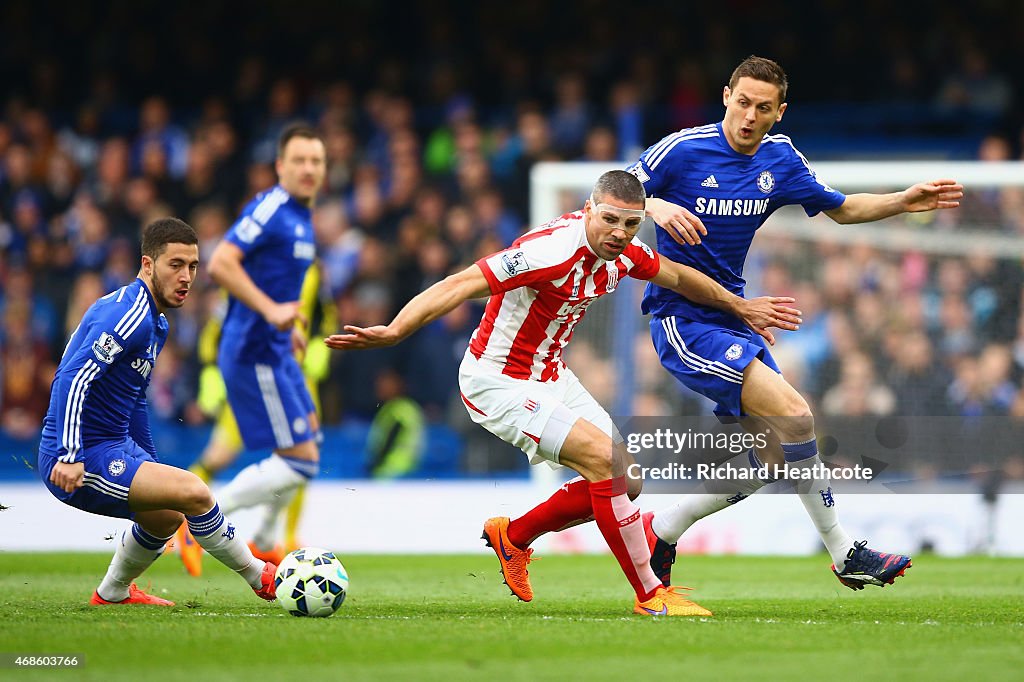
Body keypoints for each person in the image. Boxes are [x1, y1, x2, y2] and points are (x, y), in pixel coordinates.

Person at [326, 170, 802, 616]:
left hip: (549, 373)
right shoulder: (550, 251)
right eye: (610, 219)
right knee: (605, 462)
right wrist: (395, 329)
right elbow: (461, 282)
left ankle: (514, 536)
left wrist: (740, 306)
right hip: (496, 379)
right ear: (590, 209)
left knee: (626, 478)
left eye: (630, 224)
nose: (618, 232)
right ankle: (651, 595)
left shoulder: (628, 252)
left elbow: (676, 276)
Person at [626, 55, 963, 590]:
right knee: (798, 417)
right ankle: (846, 552)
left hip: (735, 317)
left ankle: (662, 529)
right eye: (742, 102)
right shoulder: (682, 149)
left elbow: (842, 208)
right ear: (725, 97)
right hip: (682, 319)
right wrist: (654, 206)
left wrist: (903, 200)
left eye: (763, 108)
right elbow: (611, 191)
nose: (749, 116)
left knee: (775, 453)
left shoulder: (781, 159)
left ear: (779, 113)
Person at [37, 217, 277, 606]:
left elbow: (134, 400)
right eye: (175, 265)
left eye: (193, 266)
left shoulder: (156, 322)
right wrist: (67, 453)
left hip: (112, 446)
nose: (186, 277)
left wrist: (148, 464)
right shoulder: (128, 315)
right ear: (148, 265)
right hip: (79, 454)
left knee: (166, 516)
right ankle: (261, 576)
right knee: (195, 492)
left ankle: (112, 593)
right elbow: (72, 377)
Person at [204, 123, 326, 563]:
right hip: (254, 351)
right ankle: (203, 517)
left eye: (316, 161)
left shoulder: (301, 216)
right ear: (280, 166)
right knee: (300, 461)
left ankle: (266, 538)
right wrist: (270, 311)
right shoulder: (273, 208)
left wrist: (287, 323)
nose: (309, 168)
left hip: (275, 347)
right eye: (300, 160)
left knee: (310, 444)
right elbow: (220, 263)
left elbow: (270, 279)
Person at [175, 260, 335, 576]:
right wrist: (210, 370)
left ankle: (269, 538)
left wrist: (317, 343)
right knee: (237, 455)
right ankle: (196, 522)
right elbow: (220, 316)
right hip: (263, 364)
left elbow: (323, 314)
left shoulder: (311, 263)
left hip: (292, 368)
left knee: (304, 452)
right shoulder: (250, 258)